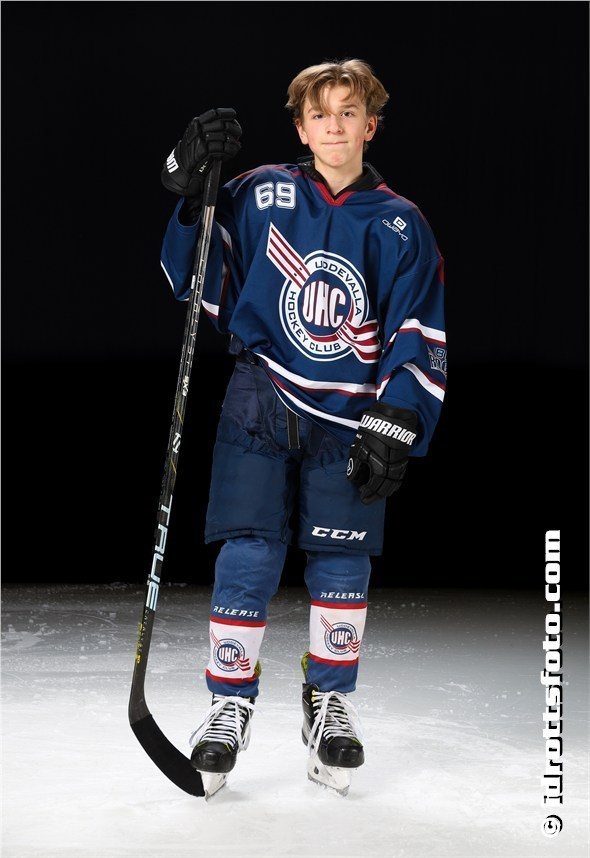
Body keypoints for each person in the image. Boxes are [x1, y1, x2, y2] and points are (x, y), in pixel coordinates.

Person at [159, 58, 446, 796]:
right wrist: (189, 188)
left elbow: (418, 330)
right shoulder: (261, 191)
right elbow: (195, 273)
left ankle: (329, 704)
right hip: (259, 395)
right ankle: (227, 705)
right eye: (321, 114)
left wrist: (399, 416)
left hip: (349, 414)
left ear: (371, 125)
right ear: (301, 127)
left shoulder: (400, 223)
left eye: (349, 113)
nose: (334, 125)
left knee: (342, 560)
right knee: (248, 554)